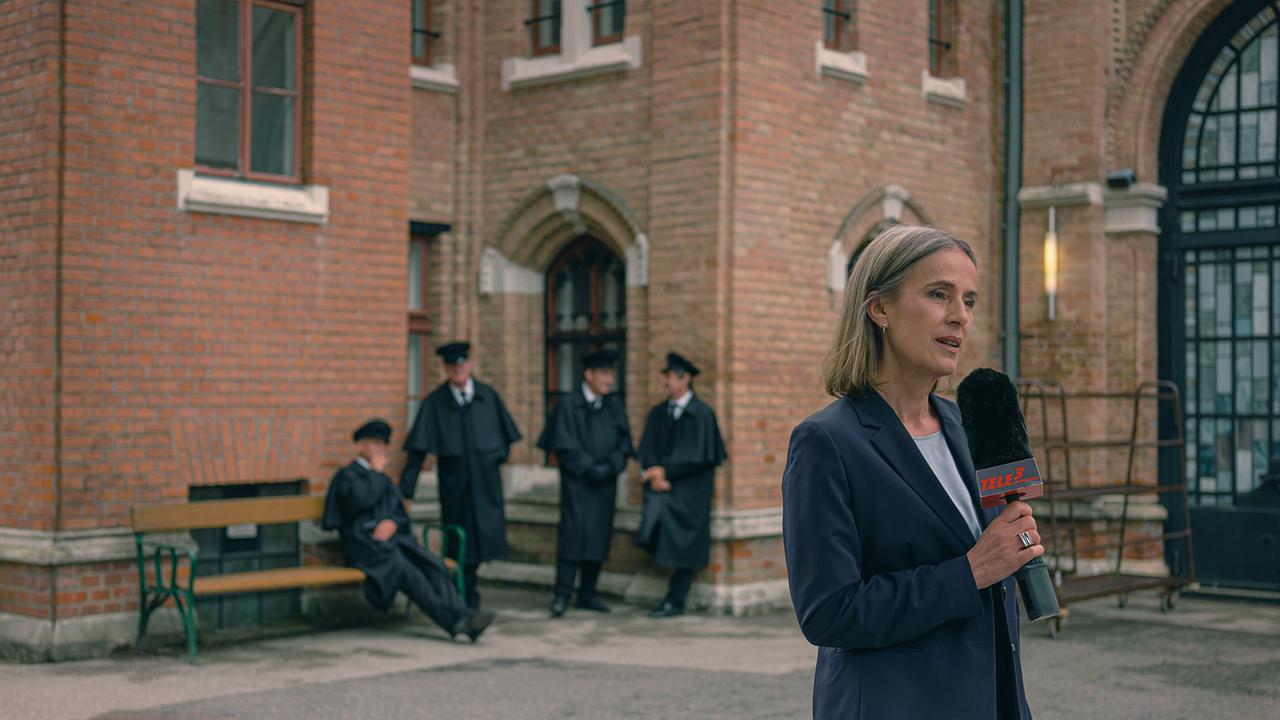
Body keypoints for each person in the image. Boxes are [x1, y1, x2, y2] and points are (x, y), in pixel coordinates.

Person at [781, 225, 1039, 719]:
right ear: (880, 309)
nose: (960, 316)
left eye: (969, 299)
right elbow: (829, 614)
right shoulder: (827, 442)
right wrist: (971, 571)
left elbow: (994, 565)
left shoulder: (967, 424)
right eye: (938, 294)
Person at [323, 419, 494, 642]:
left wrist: (393, 523)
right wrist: (375, 473)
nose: (379, 448)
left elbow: (400, 514)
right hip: (365, 547)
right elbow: (358, 502)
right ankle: (454, 623)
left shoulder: (382, 479)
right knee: (406, 571)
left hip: (394, 543)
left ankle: (463, 615)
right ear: (360, 445)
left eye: (382, 444)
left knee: (433, 566)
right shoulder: (347, 475)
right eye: (373, 443)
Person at [401, 341, 522, 609]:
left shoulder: (487, 396)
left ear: (469, 364)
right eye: (452, 365)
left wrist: (495, 457)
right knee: (460, 543)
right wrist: (405, 493)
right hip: (456, 489)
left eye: (462, 363)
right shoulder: (435, 403)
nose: (458, 369)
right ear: (445, 369)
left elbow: (506, 438)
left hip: (486, 486)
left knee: (483, 543)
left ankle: (468, 592)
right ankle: (464, 597)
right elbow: (417, 452)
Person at [537, 348, 633, 618]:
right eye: (604, 373)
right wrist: (589, 468)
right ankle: (562, 594)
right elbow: (564, 446)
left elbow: (624, 444)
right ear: (588, 375)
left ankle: (588, 594)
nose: (610, 379)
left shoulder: (614, 407)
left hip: (605, 485)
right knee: (573, 537)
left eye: (612, 374)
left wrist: (611, 466)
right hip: (577, 485)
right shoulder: (568, 405)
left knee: (598, 538)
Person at [636, 352, 726, 618]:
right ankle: (671, 598)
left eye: (669, 376)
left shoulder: (702, 415)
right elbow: (647, 450)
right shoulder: (658, 413)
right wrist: (656, 474)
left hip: (690, 494)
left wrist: (666, 472)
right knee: (651, 533)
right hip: (661, 491)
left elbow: (700, 458)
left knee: (685, 545)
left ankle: (675, 600)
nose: (665, 381)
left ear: (685, 378)